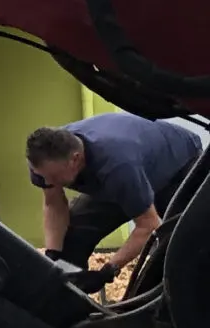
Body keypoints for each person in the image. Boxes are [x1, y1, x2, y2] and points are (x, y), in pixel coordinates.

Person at [25, 113, 205, 290]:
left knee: (177, 247)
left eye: (54, 177)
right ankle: (69, 295)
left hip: (179, 165)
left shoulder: (117, 167)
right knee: (72, 235)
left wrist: (108, 271)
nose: (47, 182)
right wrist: (53, 255)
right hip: (127, 170)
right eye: (42, 176)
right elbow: (54, 205)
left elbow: (149, 225)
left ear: (75, 159)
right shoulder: (45, 162)